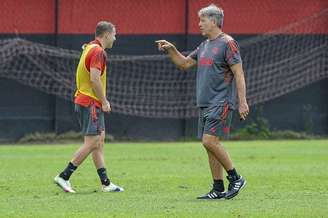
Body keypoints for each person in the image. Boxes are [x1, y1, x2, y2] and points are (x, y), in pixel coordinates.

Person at [156, 4, 249, 200]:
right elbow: (184, 63)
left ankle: (236, 178)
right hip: (205, 103)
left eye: (202, 20)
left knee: (209, 141)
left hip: (221, 101)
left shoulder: (228, 43)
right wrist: (171, 49)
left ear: (213, 21)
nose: (199, 24)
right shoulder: (204, 45)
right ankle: (218, 188)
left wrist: (242, 102)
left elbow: (238, 74)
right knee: (209, 145)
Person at [54, 21, 123, 193]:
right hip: (91, 102)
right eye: (114, 34)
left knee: (98, 142)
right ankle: (64, 176)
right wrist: (105, 101)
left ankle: (106, 183)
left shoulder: (90, 47)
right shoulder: (98, 51)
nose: (115, 38)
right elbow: (94, 79)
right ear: (106, 35)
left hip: (86, 100)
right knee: (93, 142)